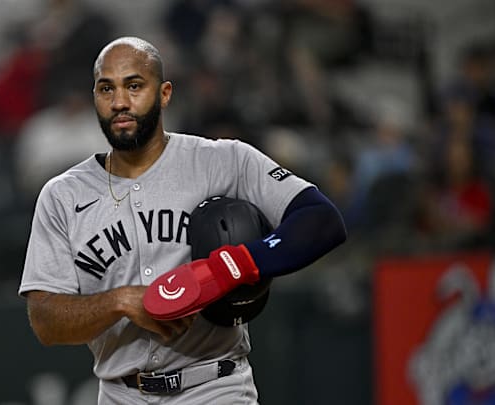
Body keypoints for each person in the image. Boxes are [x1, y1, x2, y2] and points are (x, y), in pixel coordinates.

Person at [18, 36, 347, 403]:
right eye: (106, 89)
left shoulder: (221, 160)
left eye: (134, 86)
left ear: (165, 93)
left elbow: (321, 219)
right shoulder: (62, 195)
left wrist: (234, 267)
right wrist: (120, 301)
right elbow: (45, 319)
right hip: (120, 394)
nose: (120, 102)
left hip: (214, 386)